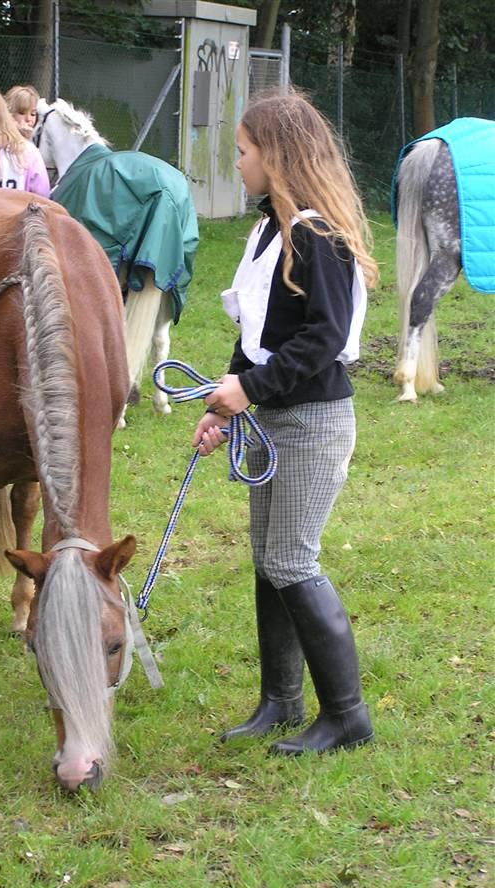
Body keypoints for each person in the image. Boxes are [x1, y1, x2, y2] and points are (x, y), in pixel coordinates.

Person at [194, 88, 379, 756]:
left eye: (242, 151)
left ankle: (347, 716)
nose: (237, 162)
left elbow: (324, 337)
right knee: (268, 561)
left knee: (291, 558)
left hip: (312, 419)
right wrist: (224, 405)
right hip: (272, 416)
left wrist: (252, 389)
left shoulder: (315, 234)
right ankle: (281, 701)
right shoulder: (270, 229)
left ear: (274, 153)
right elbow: (256, 337)